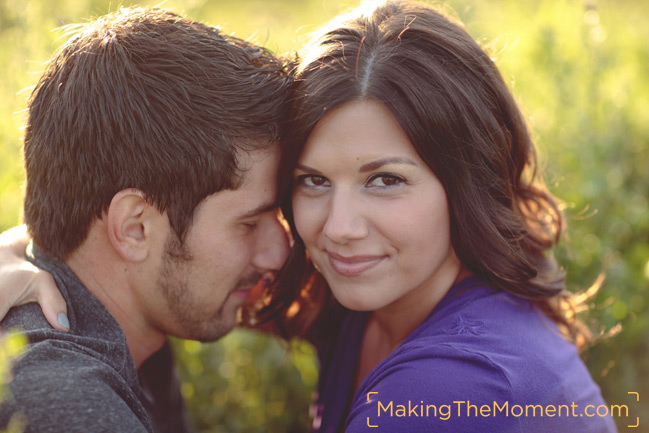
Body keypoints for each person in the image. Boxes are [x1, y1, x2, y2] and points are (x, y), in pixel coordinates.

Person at [0, 1, 617, 432]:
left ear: (464, 185)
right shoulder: (361, 301)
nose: (332, 230)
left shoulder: (449, 390)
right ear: (131, 227)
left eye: (385, 180)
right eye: (312, 183)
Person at [0, 6, 289, 432]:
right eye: (249, 223)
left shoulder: (128, 327)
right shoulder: (66, 404)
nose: (279, 251)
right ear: (134, 227)